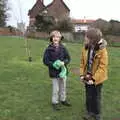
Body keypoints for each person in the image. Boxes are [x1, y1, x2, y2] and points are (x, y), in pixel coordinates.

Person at [80, 28, 108, 120]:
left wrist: (94, 79)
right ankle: (89, 112)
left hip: (97, 79)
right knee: (88, 96)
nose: (85, 38)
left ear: (93, 39)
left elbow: (102, 67)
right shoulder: (85, 47)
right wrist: (81, 75)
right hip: (87, 77)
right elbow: (82, 62)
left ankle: (97, 113)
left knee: (96, 96)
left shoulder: (102, 51)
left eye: (87, 37)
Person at [43, 30, 71, 110]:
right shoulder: (48, 49)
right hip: (54, 72)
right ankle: (54, 102)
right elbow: (45, 61)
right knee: (56, 88)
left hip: (63, 72)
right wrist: (53, 64)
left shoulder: (63, 48)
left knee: (63, 87)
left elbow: (68, 58)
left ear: (60, 39)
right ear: (51, 38)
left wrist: (64, 62)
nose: (56, 38)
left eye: (58, 37)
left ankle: (63, 100)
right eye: (54, 37)